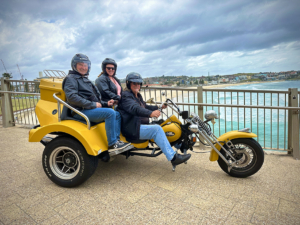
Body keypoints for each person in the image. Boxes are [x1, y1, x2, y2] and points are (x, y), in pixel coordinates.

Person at [62, 53, 132, 161]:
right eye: (80, 64)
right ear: (74, 65)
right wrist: (93, 105)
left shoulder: (84, 79)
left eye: (85, 65)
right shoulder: (71, 78)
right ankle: (112, 143)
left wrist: (106, 103)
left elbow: (94, 99)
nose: (83, 67)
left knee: (117, 114)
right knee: (110, 113)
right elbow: (72, 97)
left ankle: (116, 141)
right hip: (80, 111)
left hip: (89, 109)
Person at [117, 72, 191, 167]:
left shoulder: (137, 96)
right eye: (134, 83)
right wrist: (150, 114)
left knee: (164, 124)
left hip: (140, 125)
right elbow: (135, 108)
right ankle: (173, 158)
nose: (137, 85)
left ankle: (178, 145)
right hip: (132, 128)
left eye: (138, 83)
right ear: (128, 83)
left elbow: (145, 106)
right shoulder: (126, 96)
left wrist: (159, 107)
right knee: (157, 129)